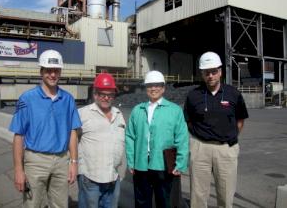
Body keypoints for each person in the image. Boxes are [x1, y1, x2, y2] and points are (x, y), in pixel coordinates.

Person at [9, 49, 82, 208]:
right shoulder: (27, 99)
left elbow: (72, 132)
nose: (53, 75)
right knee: (33, 204)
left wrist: (74, 162)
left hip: (62, 160)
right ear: (41, 72)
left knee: (60, 205)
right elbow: (18, 136)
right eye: (48, 70)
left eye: (56, 71)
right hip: (35, 161)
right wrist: (18, 170)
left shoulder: (68, 99)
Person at [184, 51, 249, 208]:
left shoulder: (233, 94)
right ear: (202, 74)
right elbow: (188, 121)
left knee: (226, 195)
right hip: (200, 148)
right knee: (198, 196)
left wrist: (227, 138)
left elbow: (240, 120)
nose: (211, 76)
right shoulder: (193, 96)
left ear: (220, 71)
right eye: (207, 72)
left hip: (226, 149)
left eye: (214, 71)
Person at [125, 70, 189, 208]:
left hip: (164, 166)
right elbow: (130, 136)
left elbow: (182, 138)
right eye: (149, 85)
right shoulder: (138, 110)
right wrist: (131, 161)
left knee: (165, 202)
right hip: (141, 165)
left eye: (157, 85)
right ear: (145, 88)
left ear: (163, 87)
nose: (153, 88)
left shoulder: (174, 110)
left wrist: (181, 163)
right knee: (142, 202)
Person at [77, 73, 126, 208]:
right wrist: (75, 165)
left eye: (110, 94)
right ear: (95, 94)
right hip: (90, 178)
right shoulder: (82, 114)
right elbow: (71, 140)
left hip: (113, 178)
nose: (106, 98)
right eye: (102, 94)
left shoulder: (118, 114)